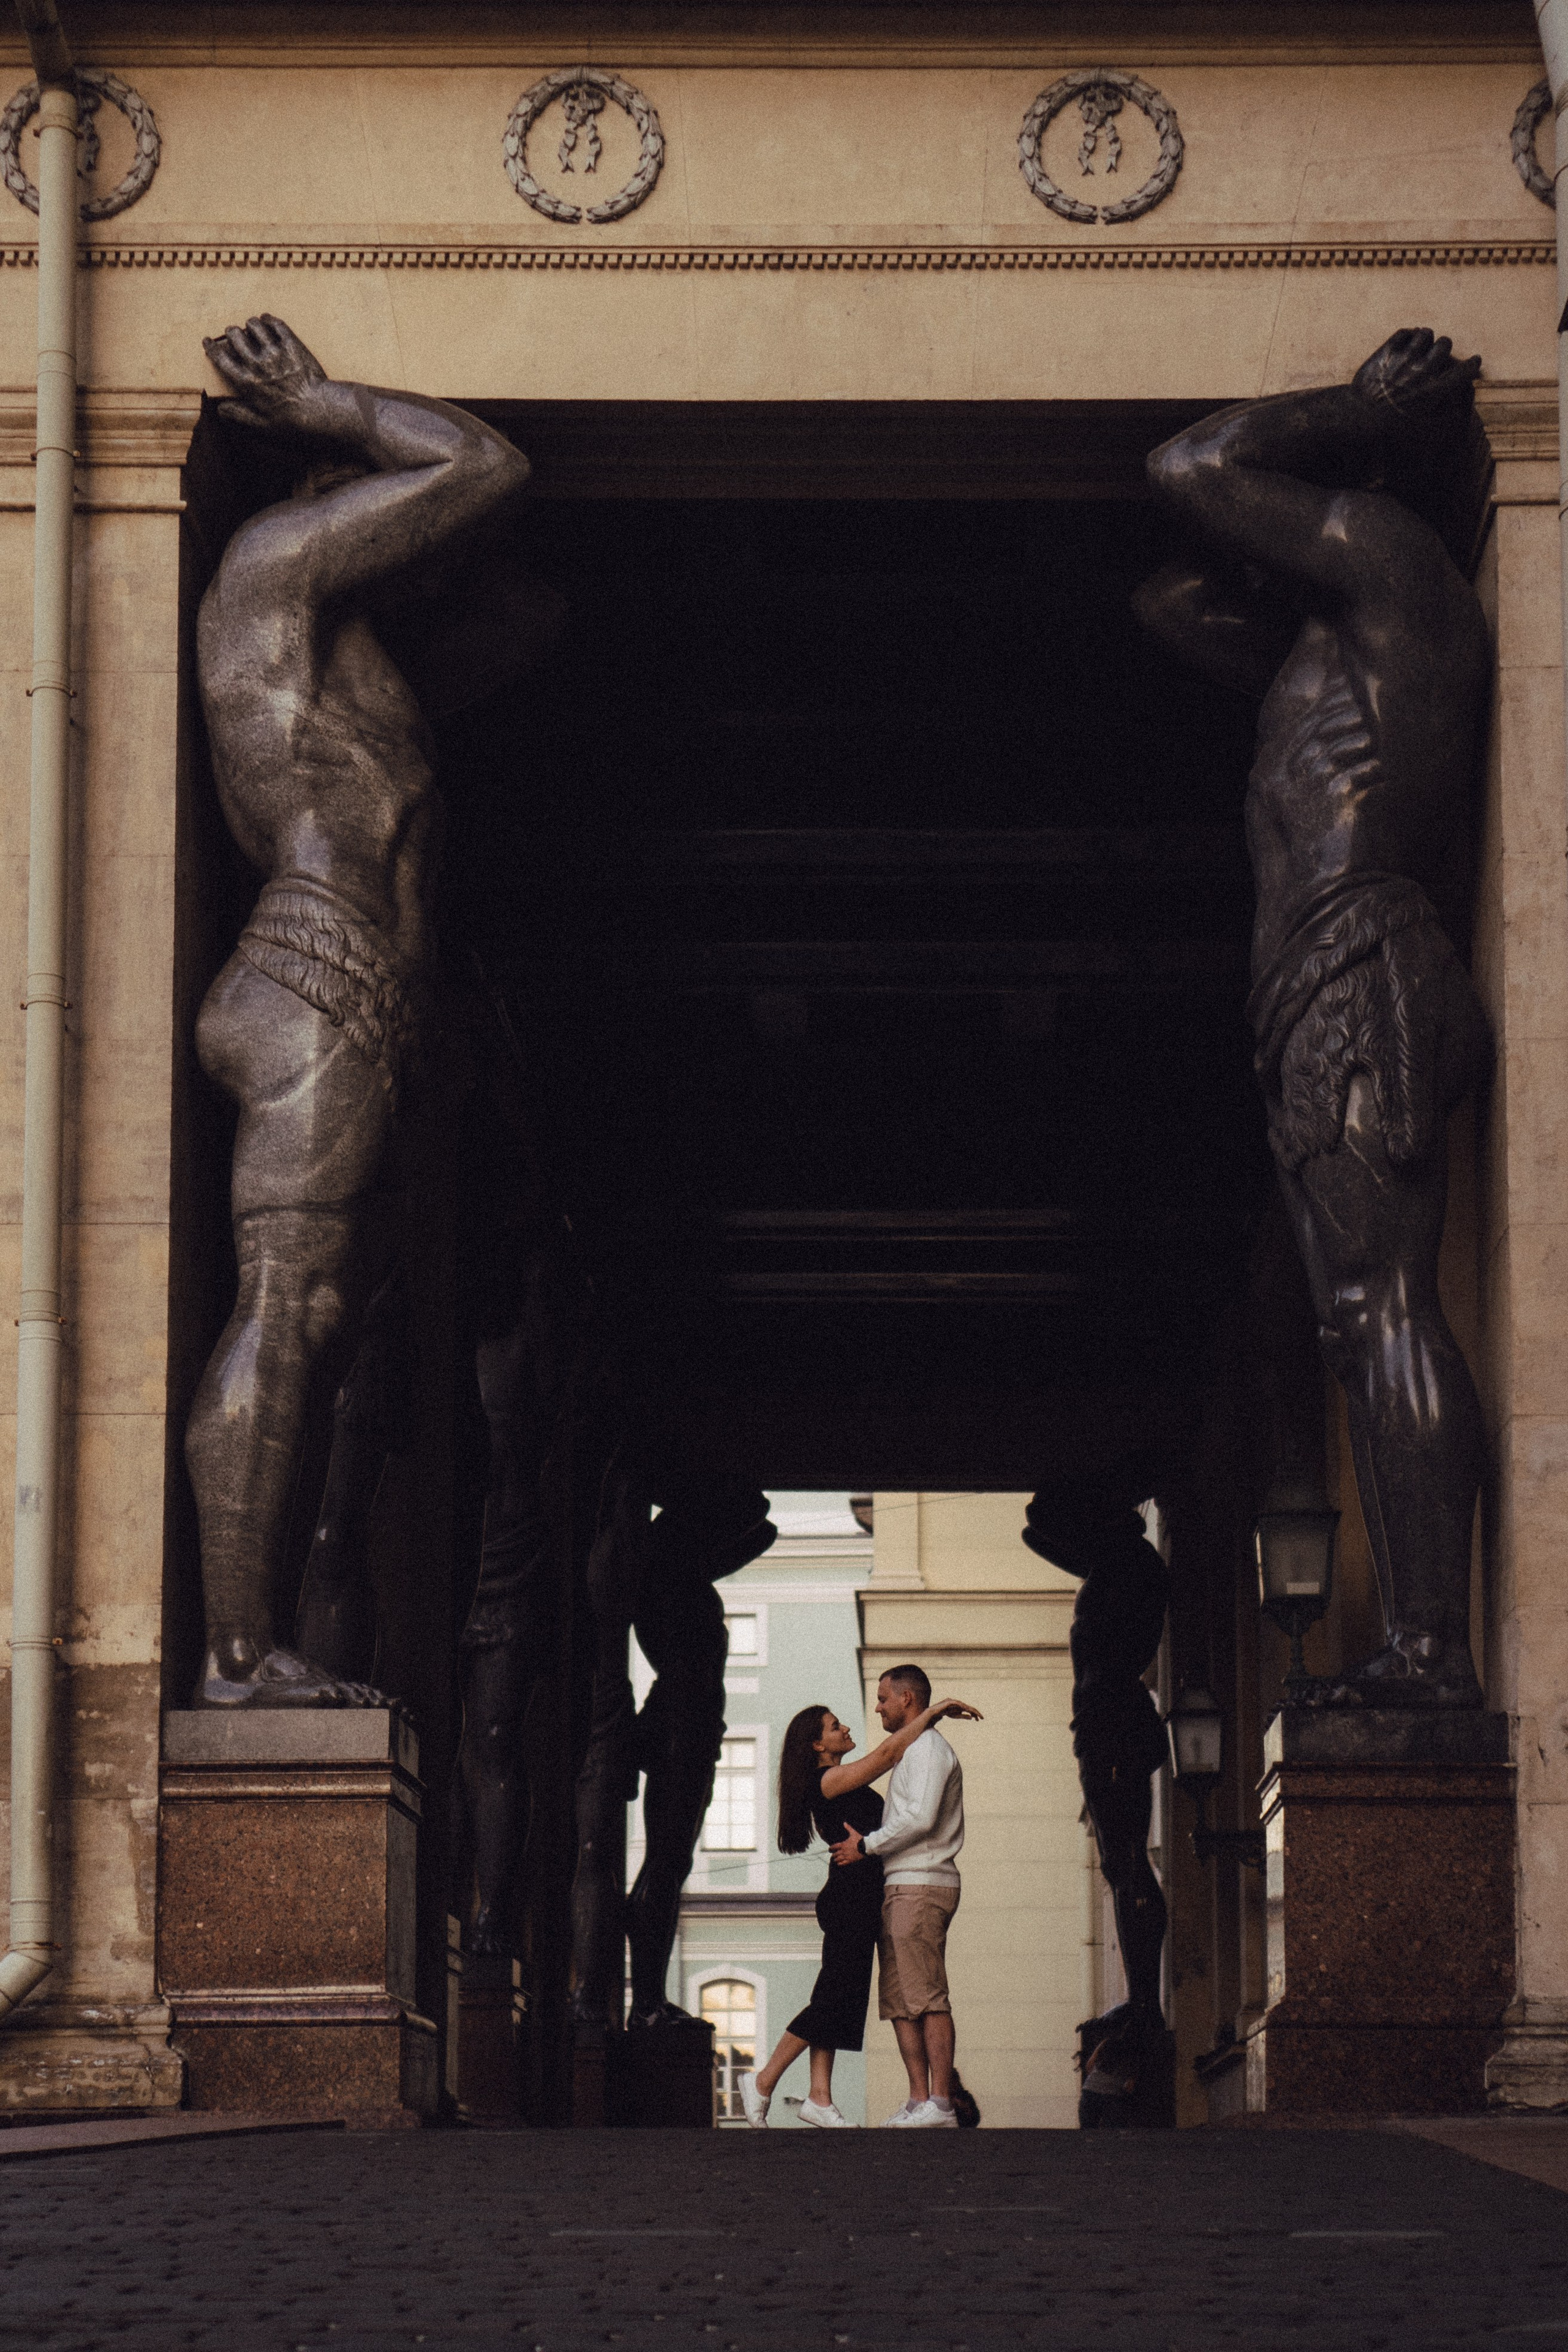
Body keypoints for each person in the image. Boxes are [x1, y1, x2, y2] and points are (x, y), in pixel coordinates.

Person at [1136, 328, 1493, 1707]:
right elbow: (1174, 595)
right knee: (1356, 1321)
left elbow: (1192, 464)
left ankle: (1433, 1651)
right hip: (1312, 993)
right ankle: (1420, 1641)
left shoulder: (1396, 571)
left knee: (1381, 1303)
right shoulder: (1323, 642)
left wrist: (1342, 415)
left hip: (1361, 967)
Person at [188, 314, 535, 1706]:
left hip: (353, 998)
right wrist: (333, 406)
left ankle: (250, 1636)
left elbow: (525, 612)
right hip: (311, 979)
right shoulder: (272, 565)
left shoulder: (347, 649)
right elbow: (483, 463)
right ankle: (229, 1656)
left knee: (324, 1326)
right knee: (289, 1303)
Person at [739, 1690, 980, 2129]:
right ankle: (763, 2080)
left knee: (838, 1998)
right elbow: (889, 1753)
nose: (846, 1728)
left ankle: (819, 2098)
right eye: (835, 1727)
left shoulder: (839, 1780)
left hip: (861, 1898)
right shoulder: (828, 1781)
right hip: (850, 1899)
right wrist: (932, 1713)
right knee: (834, 1998)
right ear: (817, 1746)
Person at [830, 1663, 970, 2128]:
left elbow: (922, 1820)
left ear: (908, 1699)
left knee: (927, 1995)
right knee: (899, 1999)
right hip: (901, 1883)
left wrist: (866, 1845)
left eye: (884, 1698)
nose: (878, 1706)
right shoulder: (912, 1749)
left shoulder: (929, 1749)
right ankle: (918, 2099)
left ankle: (942, 2102)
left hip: (923, 1882)